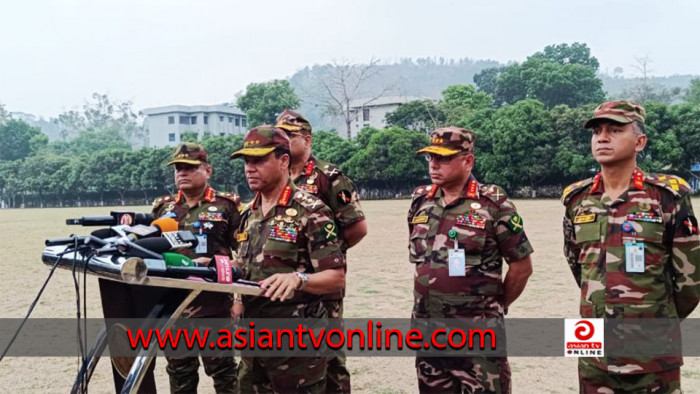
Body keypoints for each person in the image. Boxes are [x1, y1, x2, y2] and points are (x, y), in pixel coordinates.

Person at [562, 100, 700, 393]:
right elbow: (581, 269)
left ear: (640, 141)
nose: (602, 137)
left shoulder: (666, 197)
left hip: (651, 354)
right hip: (593, 352)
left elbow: (690, 281)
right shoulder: (578, 200)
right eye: (596, 131)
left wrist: (652, 315)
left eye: (614, 130)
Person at [408, 126, 534, 393]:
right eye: (430, 157)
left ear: (468, 161)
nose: (434, 165)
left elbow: (522, 267)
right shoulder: (421, 202)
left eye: (443, 158)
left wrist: (496, 306)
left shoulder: (493, 204)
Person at [231, 125, 346, 393]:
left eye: (258, 160)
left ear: (284, 161)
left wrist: (298, 279)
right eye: (246, 161)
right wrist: (220, 272)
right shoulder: (249, 214)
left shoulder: (310, 211)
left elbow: (336, 278)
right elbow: (246, 264)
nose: (249, 168)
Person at [275, 109, 367, 393]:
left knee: (330, 354)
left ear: (307, 139)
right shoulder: (275, 175)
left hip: (323, 283)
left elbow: (357, 227)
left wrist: (323, 259)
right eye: (280, 136)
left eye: (290, 135)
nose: (284, 141)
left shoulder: (328, 177)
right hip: (283, 282)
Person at [151, 142, 241, 393]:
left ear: (208, 171)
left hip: (213, 305)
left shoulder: (227, 206)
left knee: (223, 371)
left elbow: (244, 256)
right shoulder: (163, 208)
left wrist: (238, 298)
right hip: (173, 305)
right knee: (179, 372)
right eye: (178, 168)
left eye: (190, 168)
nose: (182, 173)